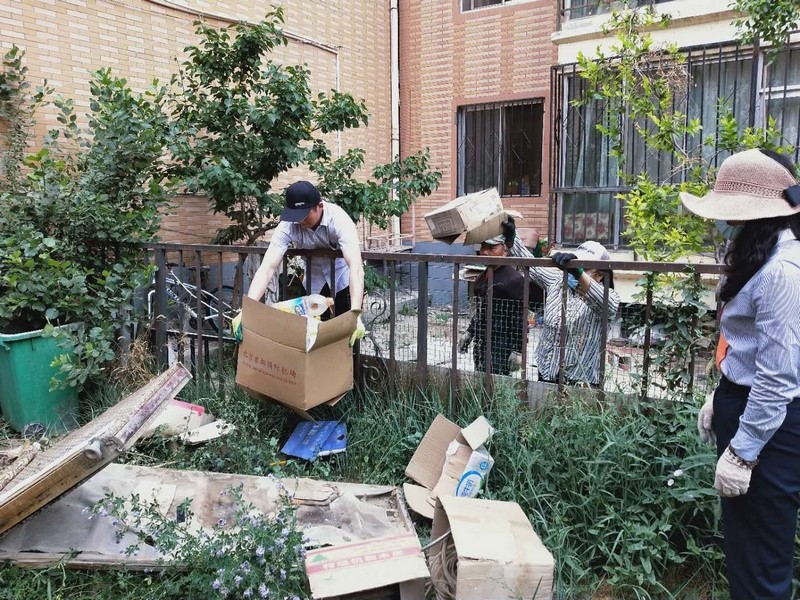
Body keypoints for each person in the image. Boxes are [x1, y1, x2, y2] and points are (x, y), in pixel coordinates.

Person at [683, 148, 800, 599]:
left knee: (760, 565)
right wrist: (722, 393)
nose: (724, 222)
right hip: (747, 406)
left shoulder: (781, 272)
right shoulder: (761, 255)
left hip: (769, 428)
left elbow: (778, 377)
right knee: (747, 551)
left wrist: (743, 453)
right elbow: (752, 348)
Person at [234, 180, 365, 343]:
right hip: (312, 283)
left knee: (345, 337)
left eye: (304, 215)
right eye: (295, 216)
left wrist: (355, 313)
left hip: (341, 281)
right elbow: (267, 267)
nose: (299, 222)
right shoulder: (288, 225)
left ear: (319, 206)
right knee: (308, 336)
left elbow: (356, 268)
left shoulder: (339, 220)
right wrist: (247, 310)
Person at [509, 234, 620, 386]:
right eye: (574, 264)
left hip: (579, 380)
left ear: (600, 275)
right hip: (546, 371)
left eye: (584, 268)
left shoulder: (605, 296)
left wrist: (579, 273)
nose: (574, 271)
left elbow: (610, 304)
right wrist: (512, 238)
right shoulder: (558, 281)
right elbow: (532, 267)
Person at [458, 221, 526, 375]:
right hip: (482, 340)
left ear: (505, 250)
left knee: (496, 381)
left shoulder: (513, 279)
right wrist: (470, 332)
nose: (485, 252)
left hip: (502, 342)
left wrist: (518, 350)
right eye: (483, 247)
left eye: (492, 248)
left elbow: (520, 317)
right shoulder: (484, 276)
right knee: (480, 377)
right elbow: (482, 310)